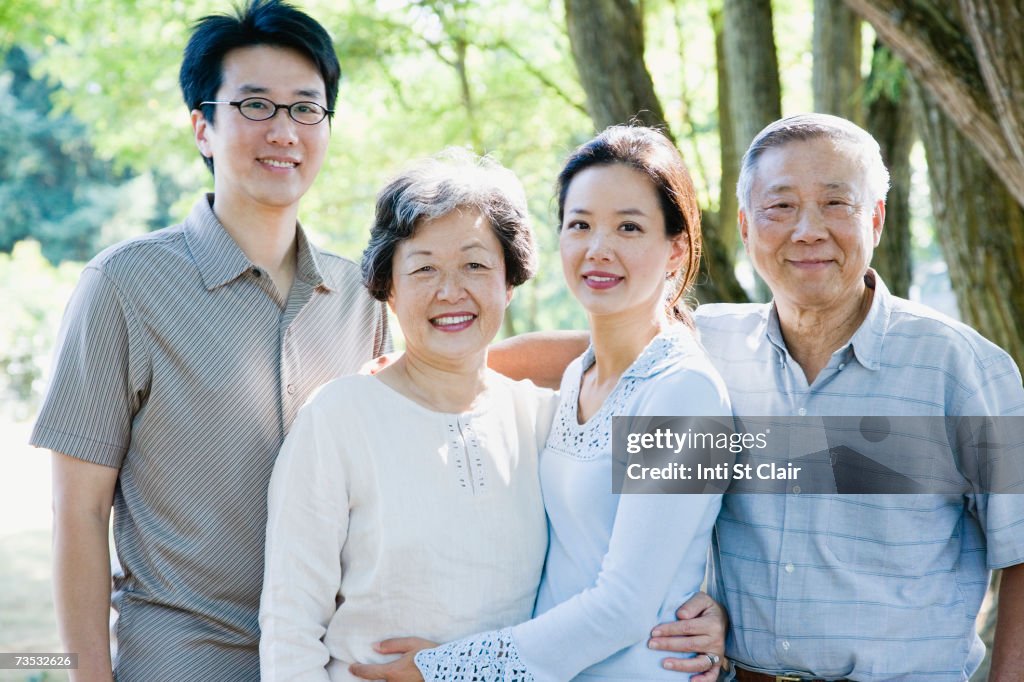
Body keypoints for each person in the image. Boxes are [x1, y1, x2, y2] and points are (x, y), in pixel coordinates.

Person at [30, 2, 389, 679]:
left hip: (327, 662)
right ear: (203, 127)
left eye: (306, 108)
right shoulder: (124, 286)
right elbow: (77, 513)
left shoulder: (359, 298)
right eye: (255, 106)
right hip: (180, 660)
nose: (283, 130)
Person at [637, 113, 1024, 680]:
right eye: (781, 206)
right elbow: (589, 358)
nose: (808, 230)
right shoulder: (702, 352)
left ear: (877, 219)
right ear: (746, 227)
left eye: (836, 204)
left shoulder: (962, 368)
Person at [352, 125, 732, 682]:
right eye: (580, 225)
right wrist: (413, 373)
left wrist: (443, 668)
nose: (598, 249)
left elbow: (623, 605)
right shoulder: (580, 374)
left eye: (629, 227)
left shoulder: (683, 392)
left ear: (675, 248)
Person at [258, 151, 558, 680]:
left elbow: (665, 528)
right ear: (388, 288)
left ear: (508, 282)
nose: (450, 291)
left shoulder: (544, 420)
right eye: (423, 269)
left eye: (475, 264)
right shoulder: (338, 419)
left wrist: (711, 611)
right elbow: (290, 627)